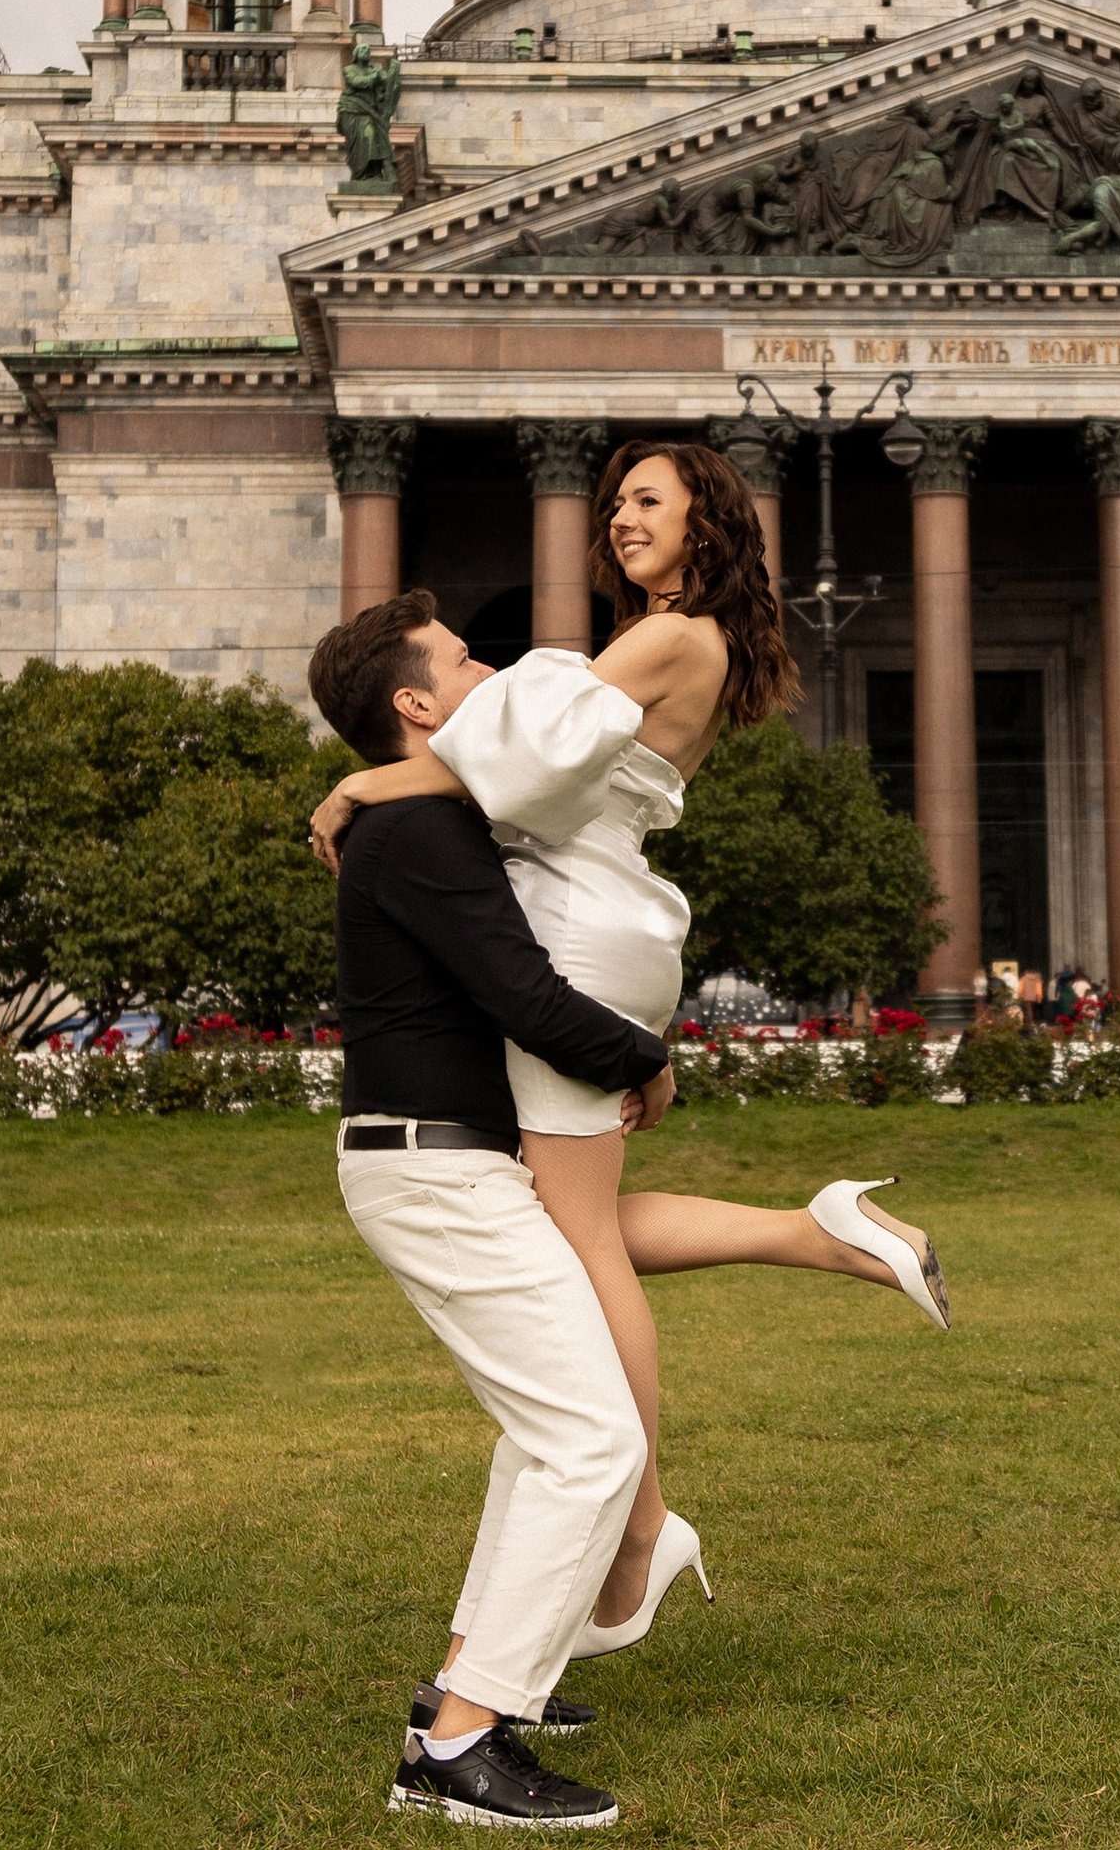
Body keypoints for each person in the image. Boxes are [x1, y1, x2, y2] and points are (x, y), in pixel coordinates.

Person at [312, 441, 948, 1645]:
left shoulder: (669, 636)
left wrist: (356, 791)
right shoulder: (690, 641)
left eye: (645, 500)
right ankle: (817, 1232)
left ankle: (643, 1528)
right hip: (610, 912)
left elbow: (510, 765)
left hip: (577, 917)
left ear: (708, 516)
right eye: (611, 505)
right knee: (578, 1222)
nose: (616, 520)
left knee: (584, 1242)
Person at [305, 591, 676, 1830]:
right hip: (435, 1173)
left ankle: (472, 1685)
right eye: (467, 661)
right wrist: (649, 1055)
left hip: (446, 1164)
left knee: (549, 1432)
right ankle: (459, 1744)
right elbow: (523, 994)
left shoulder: (424, 821)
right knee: (592, 1440)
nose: (496, 670)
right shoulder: (423, 841)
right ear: (416, 705)